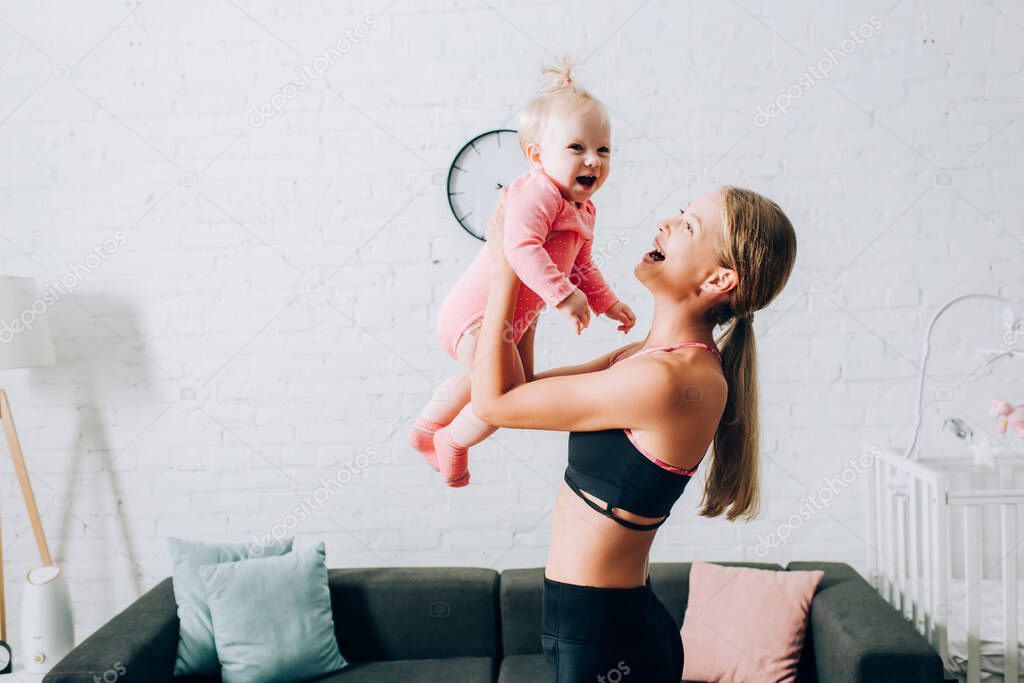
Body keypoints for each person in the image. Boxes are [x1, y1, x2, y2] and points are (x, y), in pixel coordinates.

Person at [470, 186, 797, 681]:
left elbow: (493, 404)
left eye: (689, 225)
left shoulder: (669, 380)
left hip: (605, 637)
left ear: (720, 278)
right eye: (681, 209)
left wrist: (505, 268)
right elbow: (517, 388)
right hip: (596, 624)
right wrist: (534, 268)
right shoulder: (642, 359)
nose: (667, 221)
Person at [408, 59, 636, 487]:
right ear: (536, 156)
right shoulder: (536, 192)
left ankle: (427, 429)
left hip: (515, 320)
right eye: (577, 148)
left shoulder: (584, 209)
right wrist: (564, 297)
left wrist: (608, 303)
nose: (594, 160)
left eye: (603, 150)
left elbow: (583, 265)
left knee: (514, 387)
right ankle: (451, 441)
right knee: (505, 396)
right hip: (476, 315)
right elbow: (519, 247)